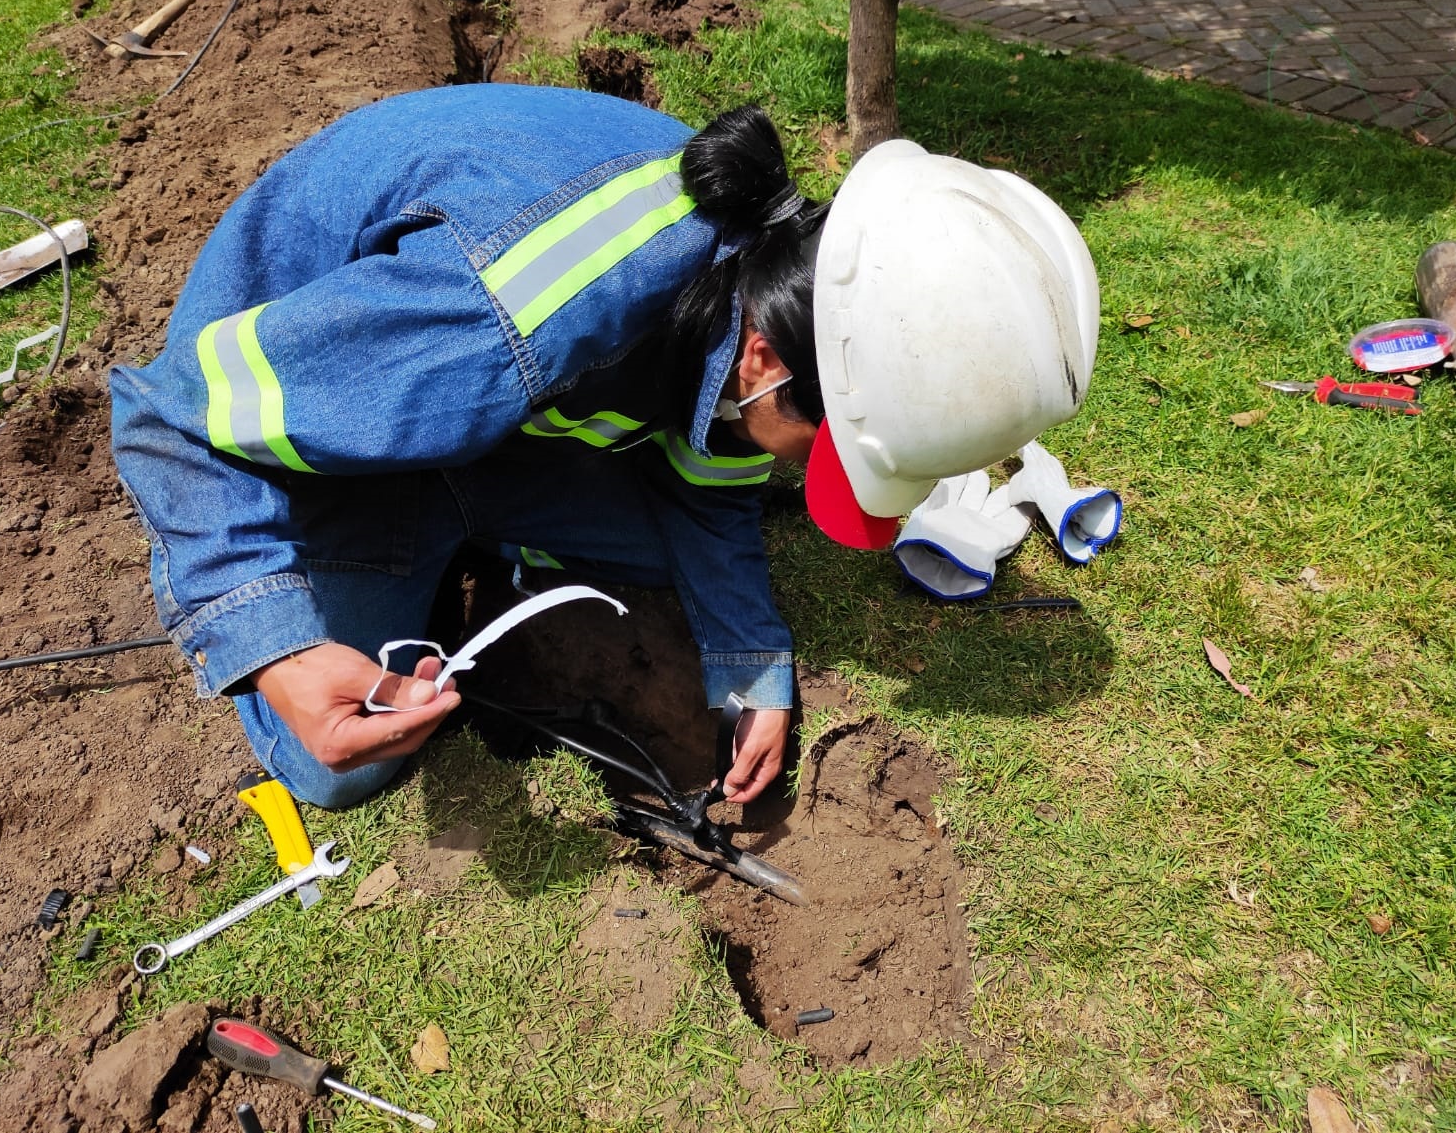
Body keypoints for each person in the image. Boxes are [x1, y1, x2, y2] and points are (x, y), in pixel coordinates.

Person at [109, 83, 1099, 810]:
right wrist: (276, 649)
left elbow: (710, 489)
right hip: (309, 416)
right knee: (339, 769)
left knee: (672, 552)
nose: (807, 474)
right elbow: (166, 418)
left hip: (465, 410)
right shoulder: (506, 318)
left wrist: (752, 671)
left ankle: (464, 526)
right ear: (768, 360)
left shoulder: (763, 295)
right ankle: (411, 536)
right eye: (823, 450)